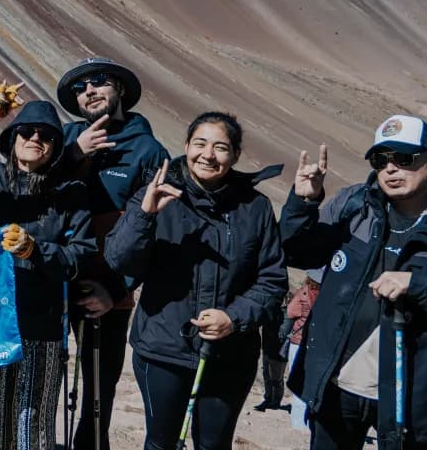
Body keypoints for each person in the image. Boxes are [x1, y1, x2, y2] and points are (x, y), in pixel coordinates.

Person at [281, 115, 427, 450]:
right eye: (381, 160)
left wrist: (422, 287)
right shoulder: (354, 206)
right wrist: (303, 204)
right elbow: (296, 253)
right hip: (337, 386)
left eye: (405, 158)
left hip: (416, 398)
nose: (391, 169)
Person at [105, 112, 287, 450]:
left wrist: (233, 318)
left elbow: (272, 279)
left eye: (221, 147)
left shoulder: (255, 208)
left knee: (214, 445)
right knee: (161, 443)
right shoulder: (156, 193)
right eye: (200, 143)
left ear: (235, 155)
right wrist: (144, 215)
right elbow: (118, 259)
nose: (208, 154)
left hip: (230, 355)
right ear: (186, 145)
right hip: (163, 349)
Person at [0, 86, 95, 450]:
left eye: (45, 136)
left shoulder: (71, 192)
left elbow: (81, 254)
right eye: (26, 132)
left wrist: (35, 250)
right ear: (12, 139)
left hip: (43, 321)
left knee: (36, 417)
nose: (35, 139)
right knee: (3, 411)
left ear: (56, 147)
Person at [55, 57, 170, 449]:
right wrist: (73, 155)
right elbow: (32, 192)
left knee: (98, 393)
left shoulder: (148, 151)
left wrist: (116, 289)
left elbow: (150, 233)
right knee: (43, 379)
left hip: (105, 294)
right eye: (80, 86)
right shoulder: (62, 138)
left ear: (120, 89)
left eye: (100, 81)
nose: (89, 90)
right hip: (51, 281)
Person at [287, 268, 323, 430]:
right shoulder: (327, 296)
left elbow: (290, 311)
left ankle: (298, 424)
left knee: (297, 382)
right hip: (317, 343)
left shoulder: (304, 293)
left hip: (298, 340)